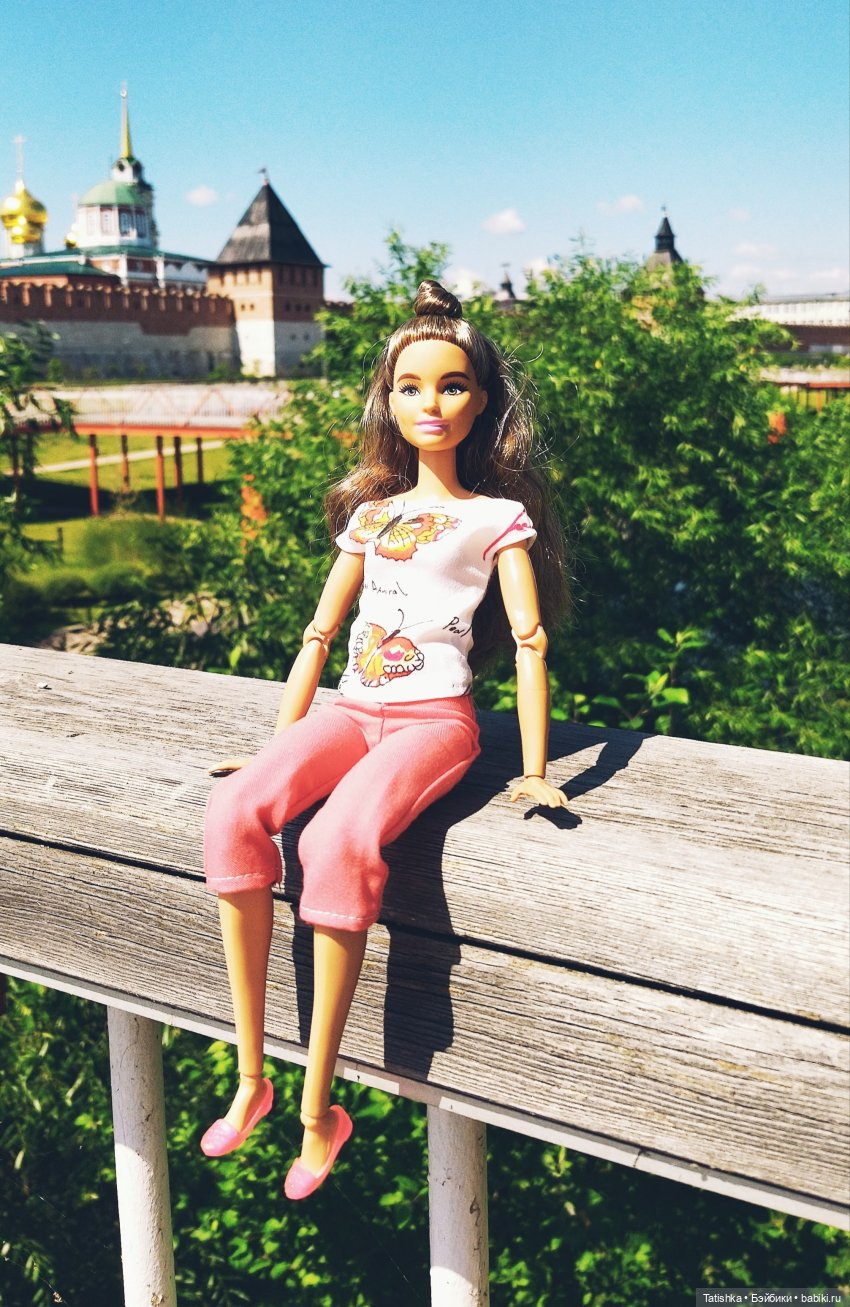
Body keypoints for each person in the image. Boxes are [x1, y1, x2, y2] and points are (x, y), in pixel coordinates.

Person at [200, 279, 569, 1199]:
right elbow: (319, 634)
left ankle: (317, 1108)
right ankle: (250, 1076)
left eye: (451, 386)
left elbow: (529, 641)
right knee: (234, 810)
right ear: (389, 400)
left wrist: (533, 769)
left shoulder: (496, 517)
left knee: (336, 840)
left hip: (434, 718)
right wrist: (276, 746)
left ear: (481, 402)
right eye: (411, 387)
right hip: (349, 708)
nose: (429, 403)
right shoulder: (372, 514)